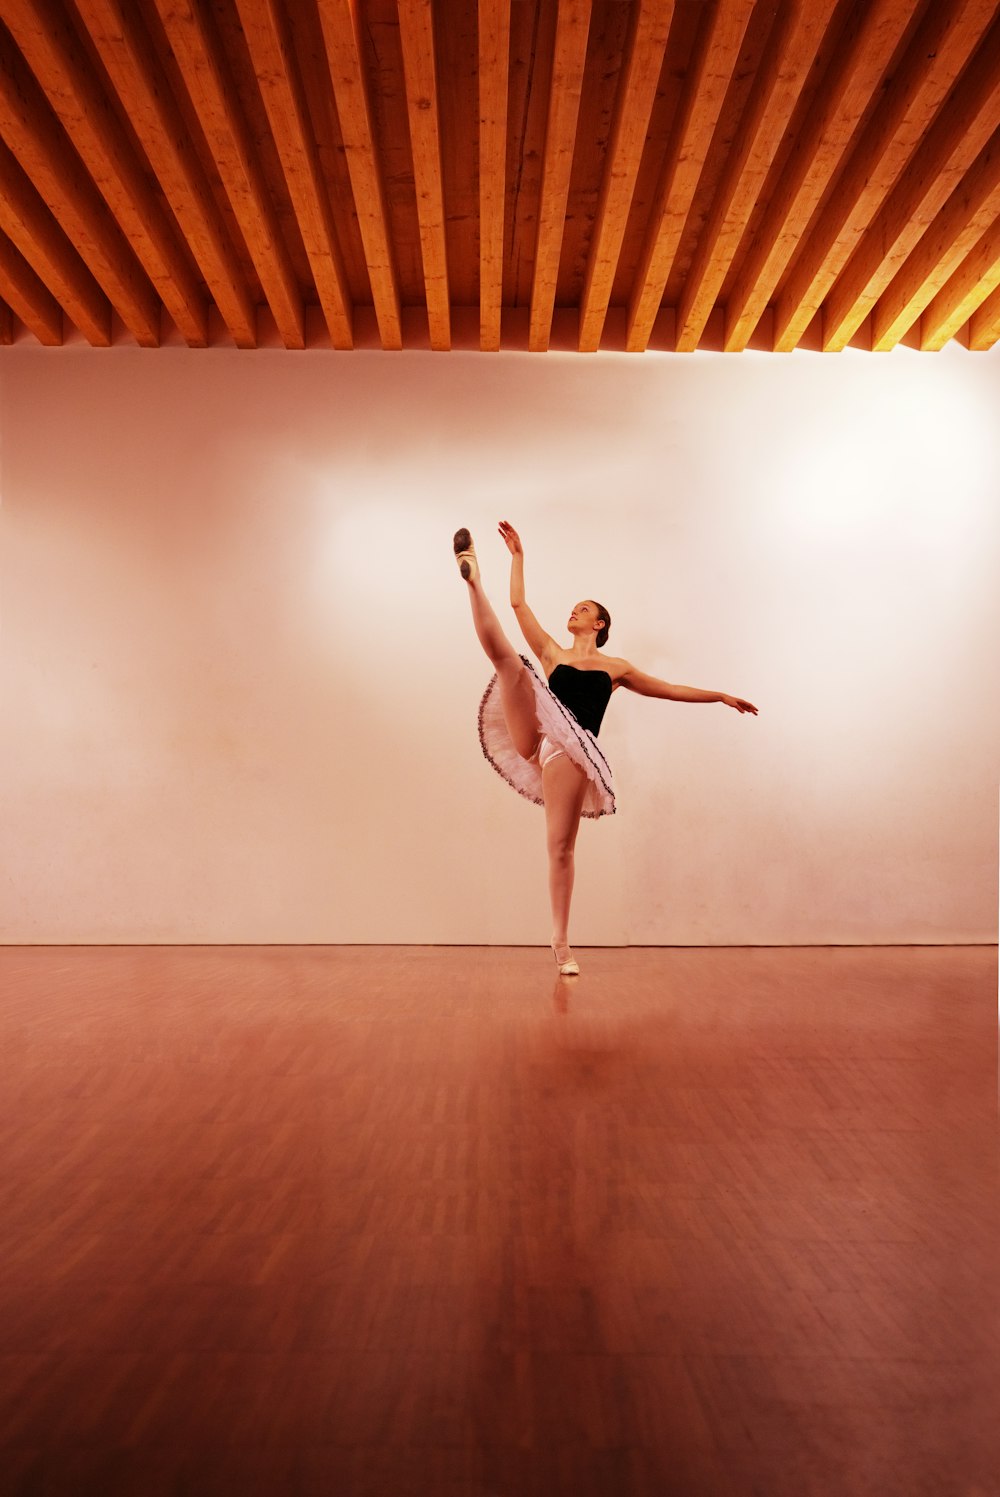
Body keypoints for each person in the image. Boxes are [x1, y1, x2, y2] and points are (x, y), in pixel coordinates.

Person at [455, 522, 758, 975]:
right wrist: (517, 557)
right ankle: (473, 580)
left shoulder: (615, 668)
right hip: (538, 737)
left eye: (583, 609)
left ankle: (560, 942)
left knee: (559, 848)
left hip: (572, 753)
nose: (573, 613)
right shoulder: (553, 654)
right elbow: (518, 605)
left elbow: (669, 688)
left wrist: (718, 695)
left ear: (599, 624)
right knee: (510, 664)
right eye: (573, 608)